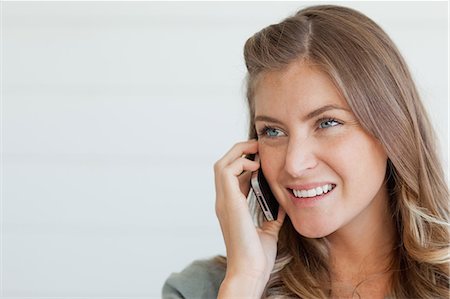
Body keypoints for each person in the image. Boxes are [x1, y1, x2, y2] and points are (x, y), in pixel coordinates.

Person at [163, 4, 449, 298]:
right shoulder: (205, 289)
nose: (294, 164)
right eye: (273, 131)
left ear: (393, 130)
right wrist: (246, 279)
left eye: (327, 123)